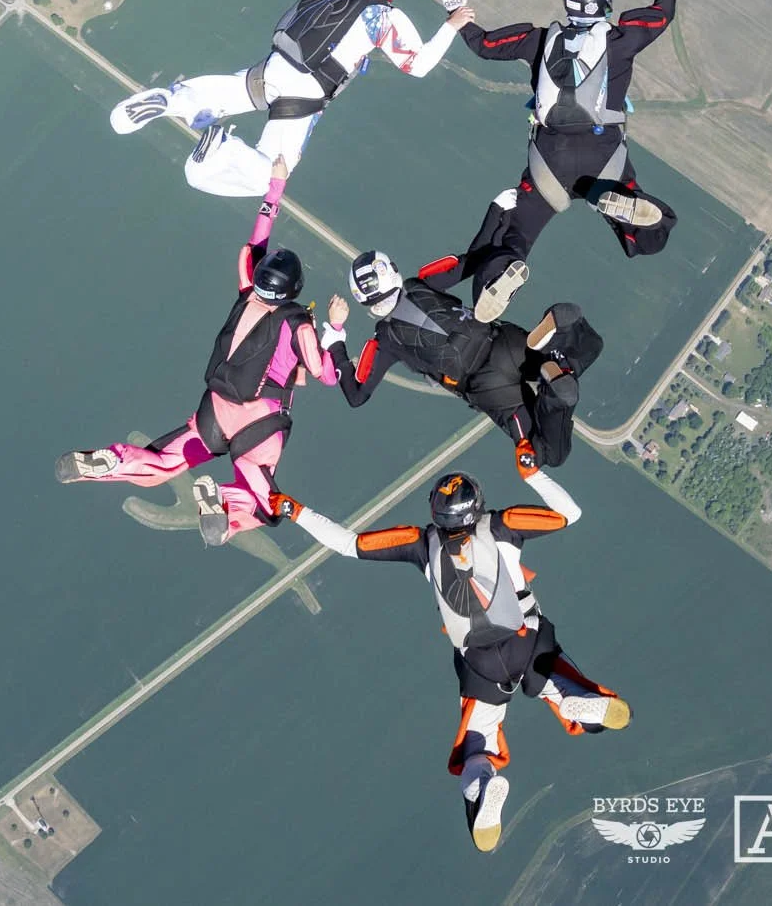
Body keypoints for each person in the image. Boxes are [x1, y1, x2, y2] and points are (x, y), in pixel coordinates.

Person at [273, 466, 628, 853]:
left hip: (481, 665)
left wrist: (294, 509)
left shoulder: (421, 544)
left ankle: (485, 787)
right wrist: (532, 473)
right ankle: (584, 709)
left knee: (477, 750)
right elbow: (570, 513)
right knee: (561, 687)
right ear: (477, 503)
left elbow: (347, 544)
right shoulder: (502, 526)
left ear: (436, 513)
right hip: (527, 638)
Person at [57, 161, 347, 544]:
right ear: (294, 288)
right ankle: (223, 506)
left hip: (216, 410)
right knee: (265, 505)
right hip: (259, 421)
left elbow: (255, 242)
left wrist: (275, 188)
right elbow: (327, 374)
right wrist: (337, 326)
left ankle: (111, 462)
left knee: (163, 464)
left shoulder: (247, 293)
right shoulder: (299, 324)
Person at [108, 0, 474, 195]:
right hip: (307, 93)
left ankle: (171, 100)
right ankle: (221, 147)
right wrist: (452, 24)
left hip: (275, 67)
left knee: (224, 96)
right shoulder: (382, 17)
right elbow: (420, 65)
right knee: (270, 176)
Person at [455, 0, 680, 316]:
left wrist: (457, 14)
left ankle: (504, 273)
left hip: (549, 159)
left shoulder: (539, 39)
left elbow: (484, 45)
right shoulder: (621, 40)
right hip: (604, 153)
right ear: (604, 4)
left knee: (515, 238)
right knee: (656, 224)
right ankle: (626, 212)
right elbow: (662, 11)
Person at [340, 250, 605, 471]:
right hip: (504, 341)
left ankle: (558, 397)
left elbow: (356, 395)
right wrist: (499, 212)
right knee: (591, 346)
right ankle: (559, 342)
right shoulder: (420, 282)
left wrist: (334, 340)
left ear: (363, 299)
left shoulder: (385, 340)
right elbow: (471, 260)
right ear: (392, 270)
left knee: (548, 453)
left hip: (487, 385)